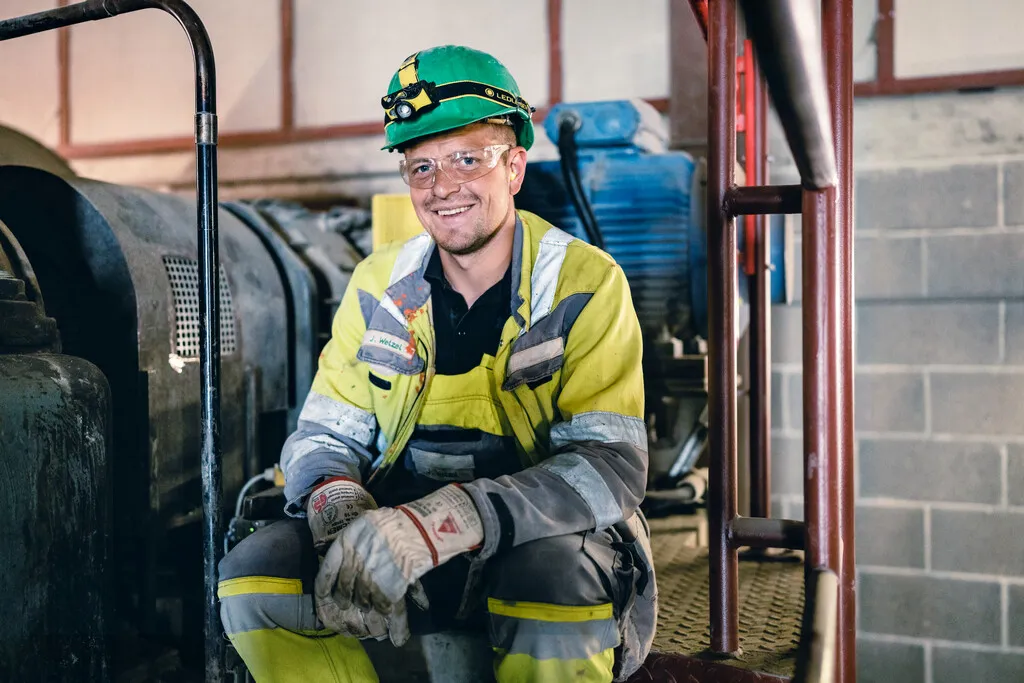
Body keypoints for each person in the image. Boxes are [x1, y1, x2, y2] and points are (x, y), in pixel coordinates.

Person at [217, 44, 656, 683]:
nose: (442, 186)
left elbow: (609, 466)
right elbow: (323, 432)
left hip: (534, 534)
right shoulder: (377, 284)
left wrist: (446, 522)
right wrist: (342, 512)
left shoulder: (586, 283)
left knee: (550, 581)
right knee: (256, 579)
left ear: (514, 167)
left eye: (466, 160)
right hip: (392, 531)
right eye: (420, 166)